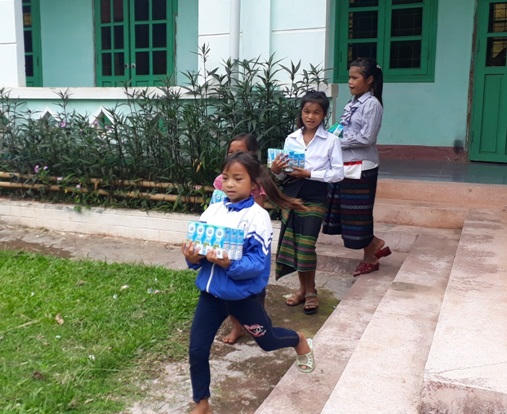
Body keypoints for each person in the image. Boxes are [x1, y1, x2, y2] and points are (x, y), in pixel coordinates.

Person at [182, 152, 315, 414]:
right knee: (197, 349)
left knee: (268, 340)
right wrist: (191, 257)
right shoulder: (213, 210)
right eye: (226, 178)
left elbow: (257, 264)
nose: (230, 184)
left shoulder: (257, 217)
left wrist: (229, 264)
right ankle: (202, 403)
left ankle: (298, 339)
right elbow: (198, 249)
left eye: (238, 178)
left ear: (254, 183)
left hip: (243, 297)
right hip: (211, 295)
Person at [270, 90, 344, 315]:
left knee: (306, 245)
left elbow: (338, 174)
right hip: (291, 195)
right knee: (293, 244)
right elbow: (283, 173)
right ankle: (303, 290)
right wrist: (276, 170)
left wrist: (310, 173)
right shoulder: (291, 139)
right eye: (306, 111)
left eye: (316, 112)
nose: (310, 116)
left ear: (324, 115)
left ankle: (310, 291)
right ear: (301, 112)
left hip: (315, 195)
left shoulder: (331, 141)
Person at [322, 57, 391, 276]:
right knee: (347, 213)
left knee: (358, 214)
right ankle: (373, 247)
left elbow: (366, 138)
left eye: (355, 78)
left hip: (362, 168)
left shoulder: (372, 105)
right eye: (349, 78)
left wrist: (337, 142)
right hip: (346, 164)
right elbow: (343, 128)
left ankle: (372, 251)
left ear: (369, 80)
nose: (350, 82)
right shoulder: (352, 103)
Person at [213, 133, 267, 345]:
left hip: (248, 242)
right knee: (230, 288)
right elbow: (216, 205)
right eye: (230, 152)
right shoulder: (221, 181)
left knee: (252, 290)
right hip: (227, 240)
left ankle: (258, 323)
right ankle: (237, 326)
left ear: (252, 155)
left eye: (240, 152)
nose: (234, 156)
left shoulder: (256, 183)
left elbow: (259, 210)